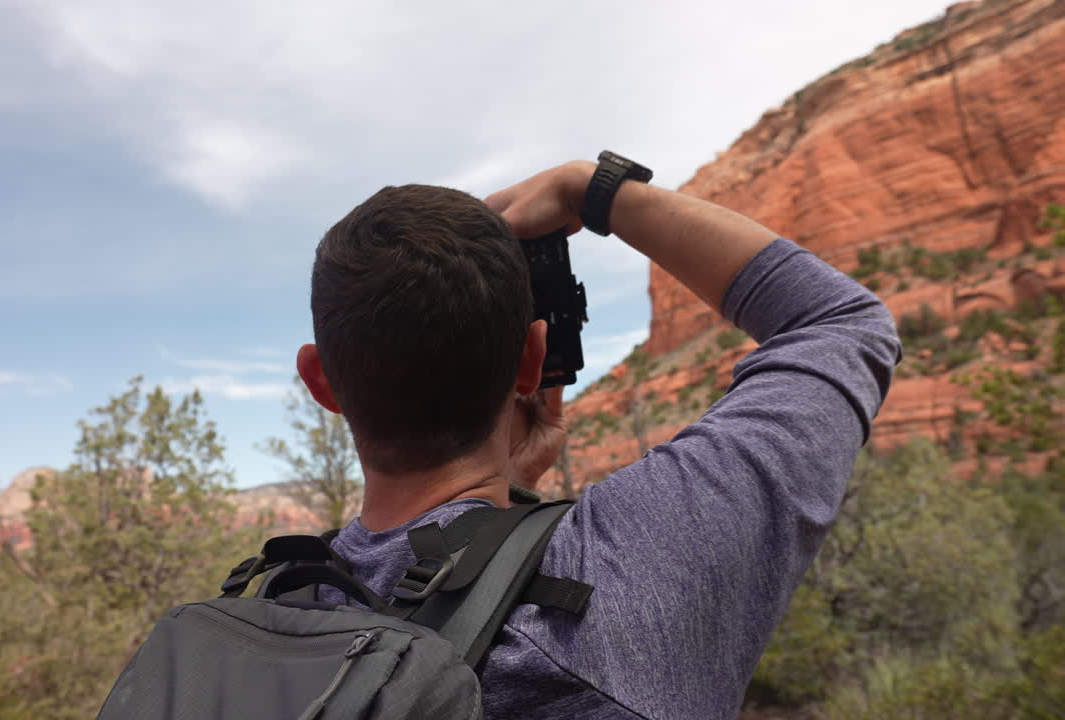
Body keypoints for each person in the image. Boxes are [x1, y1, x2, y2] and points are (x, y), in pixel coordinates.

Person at [295, 156, 901, 719]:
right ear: (532, 360)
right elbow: (841, 323)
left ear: (321, 382)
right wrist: (591, 189)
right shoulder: (628, 568)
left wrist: (504, 507)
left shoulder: (283, 600)